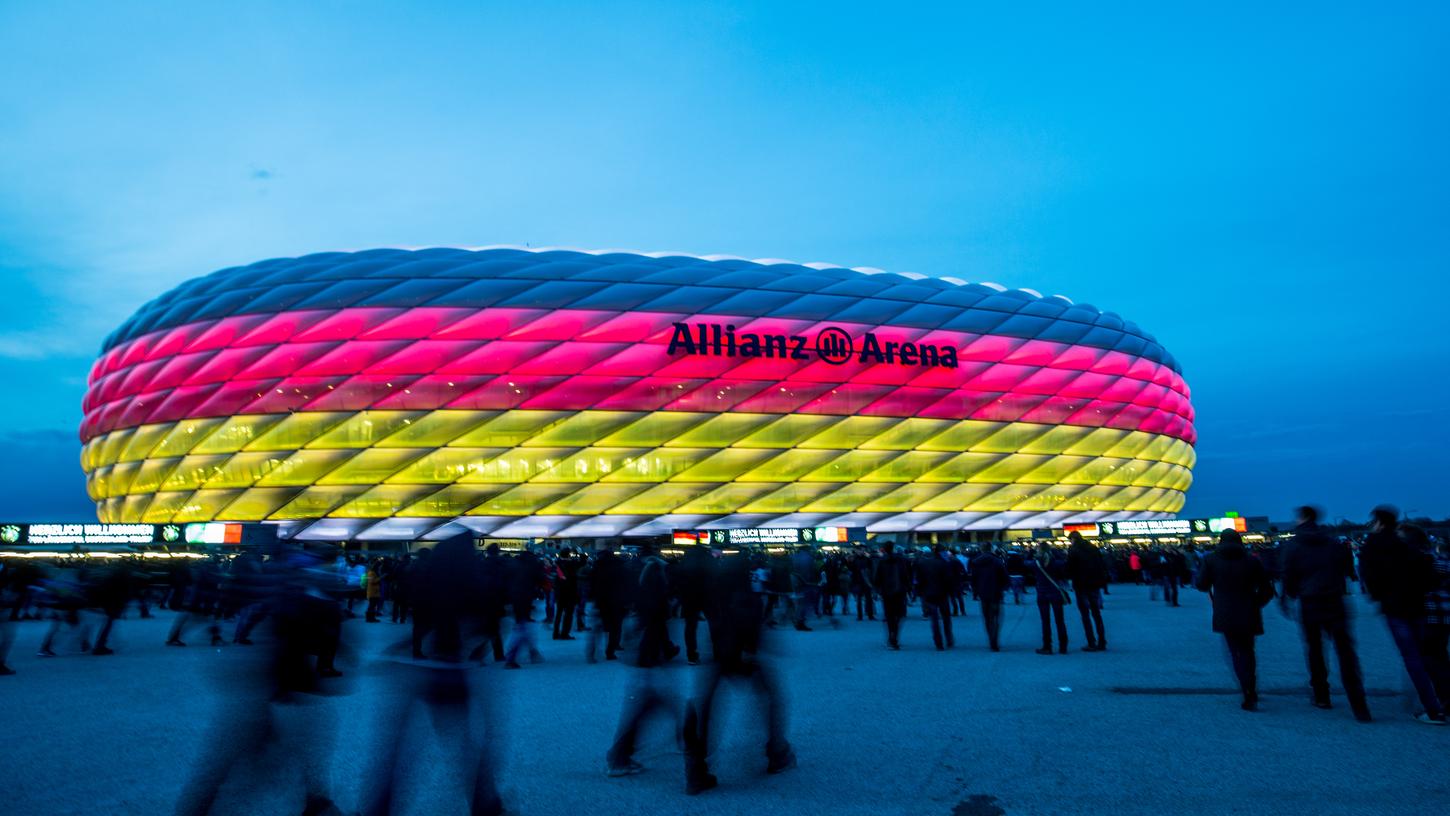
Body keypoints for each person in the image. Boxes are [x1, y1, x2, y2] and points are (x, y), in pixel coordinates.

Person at [682, 548, 794, 795]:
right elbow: (748, 622)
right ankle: (777, 752)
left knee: (706, 706)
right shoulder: (744, 592)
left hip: (718, 654)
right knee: (772, 697)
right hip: (741, 655)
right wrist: (750, 650)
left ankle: (696, 768)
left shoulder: (715, 590)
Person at [1280, 505, 1370, 720]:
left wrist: (1289, 597)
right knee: (1346, 652)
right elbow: (1347, 570)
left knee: (1315, 649)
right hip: (1335, 600)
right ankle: (1359, 704)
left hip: (1310, 602)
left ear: (1302, 518)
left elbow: (1288, 576)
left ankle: (1321, 695)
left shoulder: (1294, 545)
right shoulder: (1333, 542)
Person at [1359, 506, 1446, 724]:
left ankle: (1432, 708)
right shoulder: (1406, 545)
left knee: (1411, 657)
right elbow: (1430, 575)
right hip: (1417, 605)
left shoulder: (1374, 545)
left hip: (1394, 607)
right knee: (1427, 654)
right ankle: (1439, 704)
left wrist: (1379, 596)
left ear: (1378, 521)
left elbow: (1369, 577)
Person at [1195, 529, 1275, 711]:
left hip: (1225, 611)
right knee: (1248, 650)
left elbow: (1201, 585)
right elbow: (1267, 589)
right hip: (1249, 610)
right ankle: (1251, 687)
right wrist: (1257, 603)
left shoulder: (1211, 560)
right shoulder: (1252, 560)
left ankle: (1246, 689)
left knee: (1234, 652)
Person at [1420, 529, 1450, 709]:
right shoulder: (1443, 561)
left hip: (1432, 613)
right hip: (1444, 613)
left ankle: (1444, 699)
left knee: (1433, 658)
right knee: (1440, 655)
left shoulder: (1429, 561)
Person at [1065, 531, 1109, 651]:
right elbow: (1101, 564)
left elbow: (1069, 568)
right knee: (1096, 614)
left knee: (1085, 615)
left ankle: (1091, 642)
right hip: (1094, 584)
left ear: (1073, 539)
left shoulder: (1073, 550)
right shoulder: (1093, 548)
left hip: (1081, 585)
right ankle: (1102, 641)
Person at [913, 546, 955, 650]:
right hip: (942, 594)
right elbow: (949, 580)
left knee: (934, 619)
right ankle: (948, 638)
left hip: (929, 594)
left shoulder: (923, 564)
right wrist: (951, 592)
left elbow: (918, 580)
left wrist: (920, 592)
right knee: (946, 617)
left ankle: (938, 642)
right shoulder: (944, 564)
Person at [872, 543, 911, 650]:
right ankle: (895, 636)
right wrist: (908, 589)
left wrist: (877, 591)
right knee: (899, 615)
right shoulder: (901, 560)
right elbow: (905, 576)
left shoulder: (882, 561)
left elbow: (877, 578)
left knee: (889, 616)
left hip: (886, 593)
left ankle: (891, 636)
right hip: (899, 592)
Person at [1032, 547, 1070, 655]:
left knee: (1045, 621)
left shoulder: (1036, 563)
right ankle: (1063, 646)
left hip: (1042, 593)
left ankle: (1047, 646)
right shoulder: (1058, 563)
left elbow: (1025, 563)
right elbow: (1064, 573)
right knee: (1060, 620)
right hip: (1055, 592)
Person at [970, 546, 1009, 651]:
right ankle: (994, 640)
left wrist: (975, 591)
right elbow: (1004, 576)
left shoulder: (976, 562)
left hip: (983, 593)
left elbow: (973, 579)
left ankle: (990, 638)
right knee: (995, 617)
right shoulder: (997, 561)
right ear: (991, 549)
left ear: (981, 550)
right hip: (995, 593)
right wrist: (1003, 587)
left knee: (987, 617)